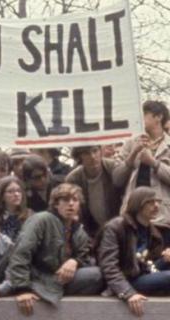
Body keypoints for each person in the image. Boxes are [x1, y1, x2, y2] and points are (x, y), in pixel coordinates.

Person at [8, 183, 103, 315]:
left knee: (99, 273)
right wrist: (22, 289)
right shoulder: (41, 219)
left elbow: (85, 254)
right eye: (65, 200)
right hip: (36, 280)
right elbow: (21, 254)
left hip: (58, 280)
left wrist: (75, 262)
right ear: (56, 204)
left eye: (75, 200)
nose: (71, 204)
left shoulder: (78, 229)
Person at [98, 187, 170, 317]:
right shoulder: (116, 226)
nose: (156, 205)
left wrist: (164, 260)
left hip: (141, 274)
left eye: (158, 201)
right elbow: (109, 266)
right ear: (137, 203)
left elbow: (148, 265)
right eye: (150, 202)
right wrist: (128, 293)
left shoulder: (153, 231)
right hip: (124, 281)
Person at [113, 100, 170, 228]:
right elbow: (117, 179)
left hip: (162, 218)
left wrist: (153, 163)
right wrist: (133, 154)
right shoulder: (130, 143)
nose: (139, 119)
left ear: (158, 117)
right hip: (133, 217)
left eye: (144, 115)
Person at [66, 145, 122, 238]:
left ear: (100, 151)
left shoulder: (113, 167)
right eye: (86, 153)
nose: (92, 156)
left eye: (95, 151)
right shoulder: (74, 179)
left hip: (118, 227)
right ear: (79, 157)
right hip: (91, 232)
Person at [0, 176, 32, 241]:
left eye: (19, 191)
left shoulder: (29, 215)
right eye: (10, 191)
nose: (16, 194)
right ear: (1, 195)